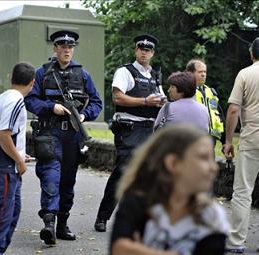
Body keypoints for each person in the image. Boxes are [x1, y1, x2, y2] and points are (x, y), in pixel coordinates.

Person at [24, 30, 102, 245]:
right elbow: (30, 100)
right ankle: (48, 222)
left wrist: (85, 114)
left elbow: (97, 102)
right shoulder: (43, 73)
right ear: (55, 48)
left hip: (73, 135)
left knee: (68, 181)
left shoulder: (83, 75)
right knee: (51, 177)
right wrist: (52, 107)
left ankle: (61, 225)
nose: (67, 50)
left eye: (70, 46)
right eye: (62, 46)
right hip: (50, 133)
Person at [111, 125, 229, 255]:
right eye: (203, 158)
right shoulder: (138, 202)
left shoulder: (211, 216)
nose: (214, 168)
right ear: (173, 163)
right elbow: (118, 248)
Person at [94, 34, 165, 232]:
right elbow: (117, 97)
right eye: (141, 48)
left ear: (152, 53)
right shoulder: (125, 71)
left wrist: (162, 103)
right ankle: (103, 216)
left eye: (148, 50)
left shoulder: (155, 75)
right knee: (122, 173)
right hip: (130, 129)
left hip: (150, 130)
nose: (144, 52)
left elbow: (161, 99)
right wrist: (145, 102)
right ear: (136, 50)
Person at [0, 62, 35, 255]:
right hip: (3, 168)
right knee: (2, 218)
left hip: (1, 166)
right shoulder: (16, 101)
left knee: (10, 214)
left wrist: (19, 154)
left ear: (12, 78)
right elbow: (3, 135)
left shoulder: (1, 98)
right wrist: (19, 161)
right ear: (32, 82)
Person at [223, 37, 259, 253]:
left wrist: (228, 141)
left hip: (252, 137)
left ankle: (236, 242)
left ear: (252, 54)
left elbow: (234, 109)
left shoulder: (245, 74)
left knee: (243, 191)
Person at [186, 58, 224, 146]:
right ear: (190, 73)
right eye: (200, 72)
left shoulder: (210, 92)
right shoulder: (185, 92)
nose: (203, 74)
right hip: (192, 140)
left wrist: (224, 141)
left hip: (211, 140)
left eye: (205, 72)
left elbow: (219, 116)